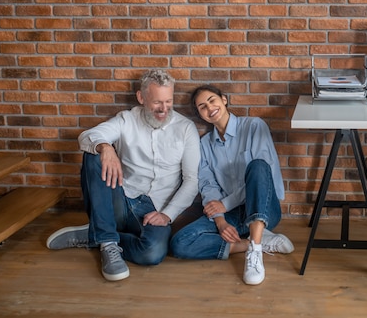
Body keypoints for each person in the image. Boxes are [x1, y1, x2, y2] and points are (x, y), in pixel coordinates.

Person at [46, 69, 201, 282]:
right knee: (94, 154)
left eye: (168, 101)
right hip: (122, 199)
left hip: (155, 210)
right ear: (141, 97)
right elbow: (87, 136)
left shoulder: (185, 128)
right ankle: (108, 243)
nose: (164, 109)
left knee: (152, 253)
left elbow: (192, 180)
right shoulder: (126, 119)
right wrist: (105, 148)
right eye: (157, 102)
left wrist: (167, 215)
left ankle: (98, 234)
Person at [170, 84, 294, 285]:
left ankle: (255, 254)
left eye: (212, 100)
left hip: (264, 207)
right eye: (202, 106)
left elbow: (263, 176)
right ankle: (258, 242)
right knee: (180, 243)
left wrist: (225, 204)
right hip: (231, 214)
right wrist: (220, 220)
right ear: (200, 115)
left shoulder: (254, 126)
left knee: (258, 165)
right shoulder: (204, 145)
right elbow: (208, 184)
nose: (210, 108)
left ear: (224, 99)